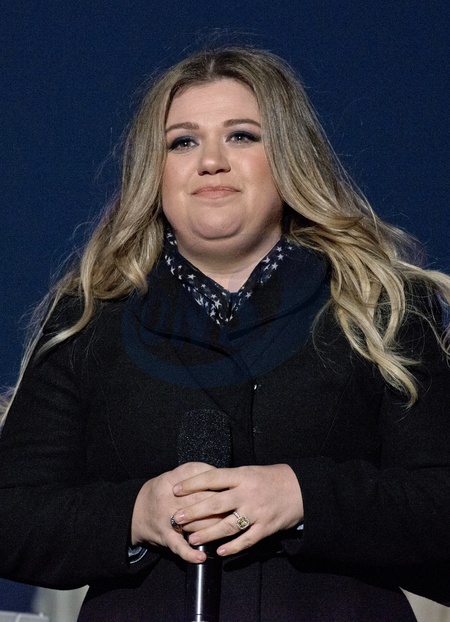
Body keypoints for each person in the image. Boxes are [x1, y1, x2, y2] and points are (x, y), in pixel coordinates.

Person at [0, 46, 450, 622]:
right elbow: (13, 514)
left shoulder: (381, 304)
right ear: (154, 171)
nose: (211, 161)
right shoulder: (89, 316)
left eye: (242, 136)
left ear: (287, 156)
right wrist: (136, 514)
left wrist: (303, 498)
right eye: (183, 142)